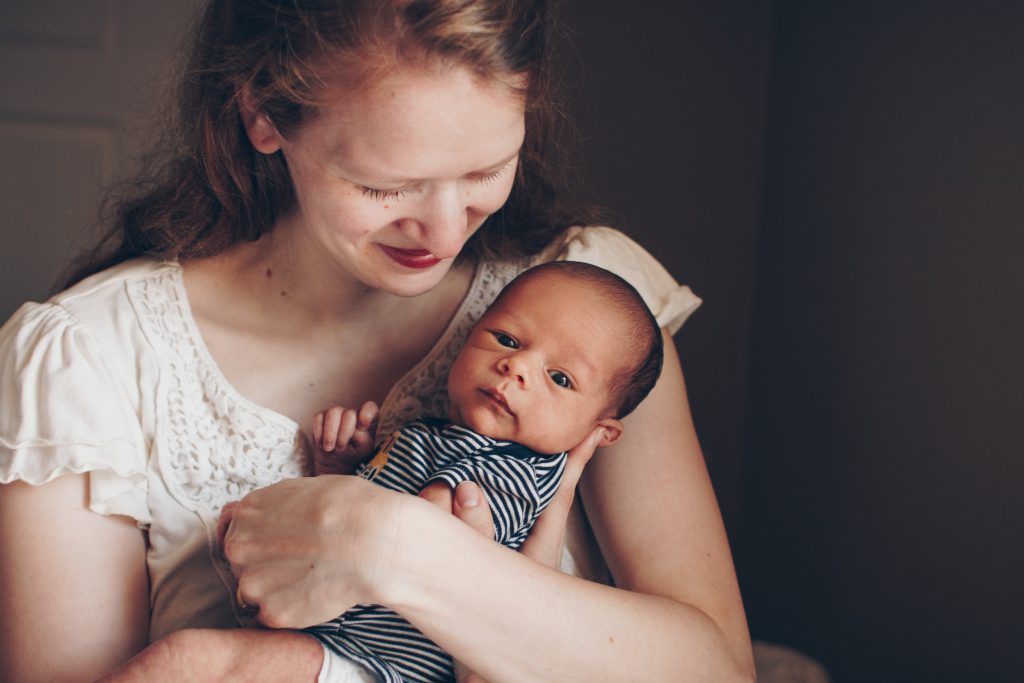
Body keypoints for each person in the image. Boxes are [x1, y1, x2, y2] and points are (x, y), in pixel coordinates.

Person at [0, 1, 755, 682]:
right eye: (385, 186)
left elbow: (719, 670)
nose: (447, 229)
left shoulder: (587, 313)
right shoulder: (86, 359)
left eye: (487, 171)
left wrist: (389, 546)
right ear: (263, 113)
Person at [136, 260, 663, 683]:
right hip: (333, 641)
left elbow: (423, 537)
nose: (518, 368)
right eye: (507, 339)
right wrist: (341, 468)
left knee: (188, 662)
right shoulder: (429, 432)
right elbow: (368, 518)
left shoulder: (524, 473)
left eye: (560, 378)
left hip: (384, 664)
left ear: (601, 430)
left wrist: (411, 507)